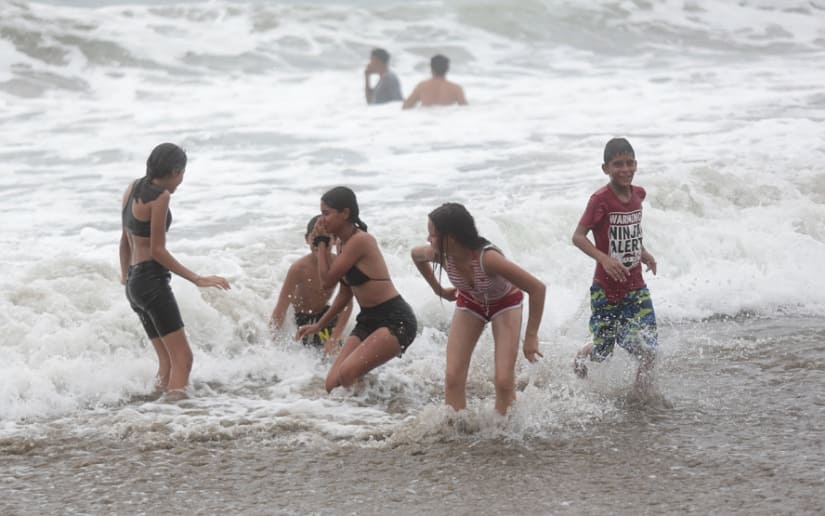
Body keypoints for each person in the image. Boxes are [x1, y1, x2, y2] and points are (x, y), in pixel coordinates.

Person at [411, 203, 545, 415]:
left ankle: (505, 427)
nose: (428, 239)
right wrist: (439, 290)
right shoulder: (439, 254)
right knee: (453, 376)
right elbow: (415, 255)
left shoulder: (488, 258)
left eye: (433, 235)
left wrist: (531, 336)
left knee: (503, 380)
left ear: (451, 237)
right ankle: (456, 425)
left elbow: (537, 288)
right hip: (470, 303)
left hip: (505, 304)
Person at [119, 142, 230, 396]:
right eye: (181, 174)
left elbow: (124, 240)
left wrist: (126, 278)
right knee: (183, 358)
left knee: (167, 361)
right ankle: (176, 412)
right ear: (175, 171)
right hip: (151, 281)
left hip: (135, 283)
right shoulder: (161, 197)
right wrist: (198, 279)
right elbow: (158, 250)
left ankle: (161, 411)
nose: (180, 181)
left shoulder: (132, 188)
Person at [296, 187, 417, 393]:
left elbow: (327, 281)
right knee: (332, 384)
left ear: (345, 213)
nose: (321, 219)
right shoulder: (342, 244)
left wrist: (322, 242)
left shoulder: (361, 240)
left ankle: (379, 407)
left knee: (347, 374)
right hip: (368, 320)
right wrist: (318, 326)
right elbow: (344, 294)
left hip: (396, 320)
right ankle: (377, 399)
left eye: (326, 213)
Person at [571, 137, 659, 395]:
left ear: (636, 164)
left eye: (629, 163)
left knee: (649, 348)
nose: (625, 169)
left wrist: (643, 252)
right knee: (603, 353)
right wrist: (604, 259)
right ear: (605, 168)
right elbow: (578, 237)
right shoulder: (600, 200)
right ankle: (583, 352)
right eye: (618, 164)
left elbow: (631, 232)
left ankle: (641, 397)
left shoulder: (638, 195)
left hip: (636, 287)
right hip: (606, 289)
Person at [270, 215, 353, 355]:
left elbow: (347, 303)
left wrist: (335, 337)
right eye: (315, 238)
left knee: (335, 352)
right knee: (303, 355)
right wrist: (273, 341)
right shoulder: (298, 269)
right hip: (299, 318)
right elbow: (281, 307)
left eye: (326, 238)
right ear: (307, 239)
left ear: (335, 239)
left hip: (325, 316)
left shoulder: (338, 264)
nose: (319, 243)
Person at [402, 54, 467, 109]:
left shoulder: (422, 87)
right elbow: (465, 109)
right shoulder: (456, 89)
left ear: (431, 68)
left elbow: (406, 106)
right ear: (447, 69)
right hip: (447, 118)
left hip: (427, 119)